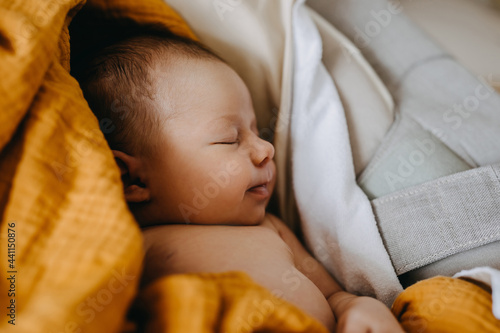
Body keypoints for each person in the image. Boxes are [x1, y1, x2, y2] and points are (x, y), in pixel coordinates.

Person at [73, 27, 404, 333]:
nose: (266, 149)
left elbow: (334, 295)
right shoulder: (128, 249)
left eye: (257, 131)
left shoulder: (271, 229)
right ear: (133, 179)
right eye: (230, 139)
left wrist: (359, 307)